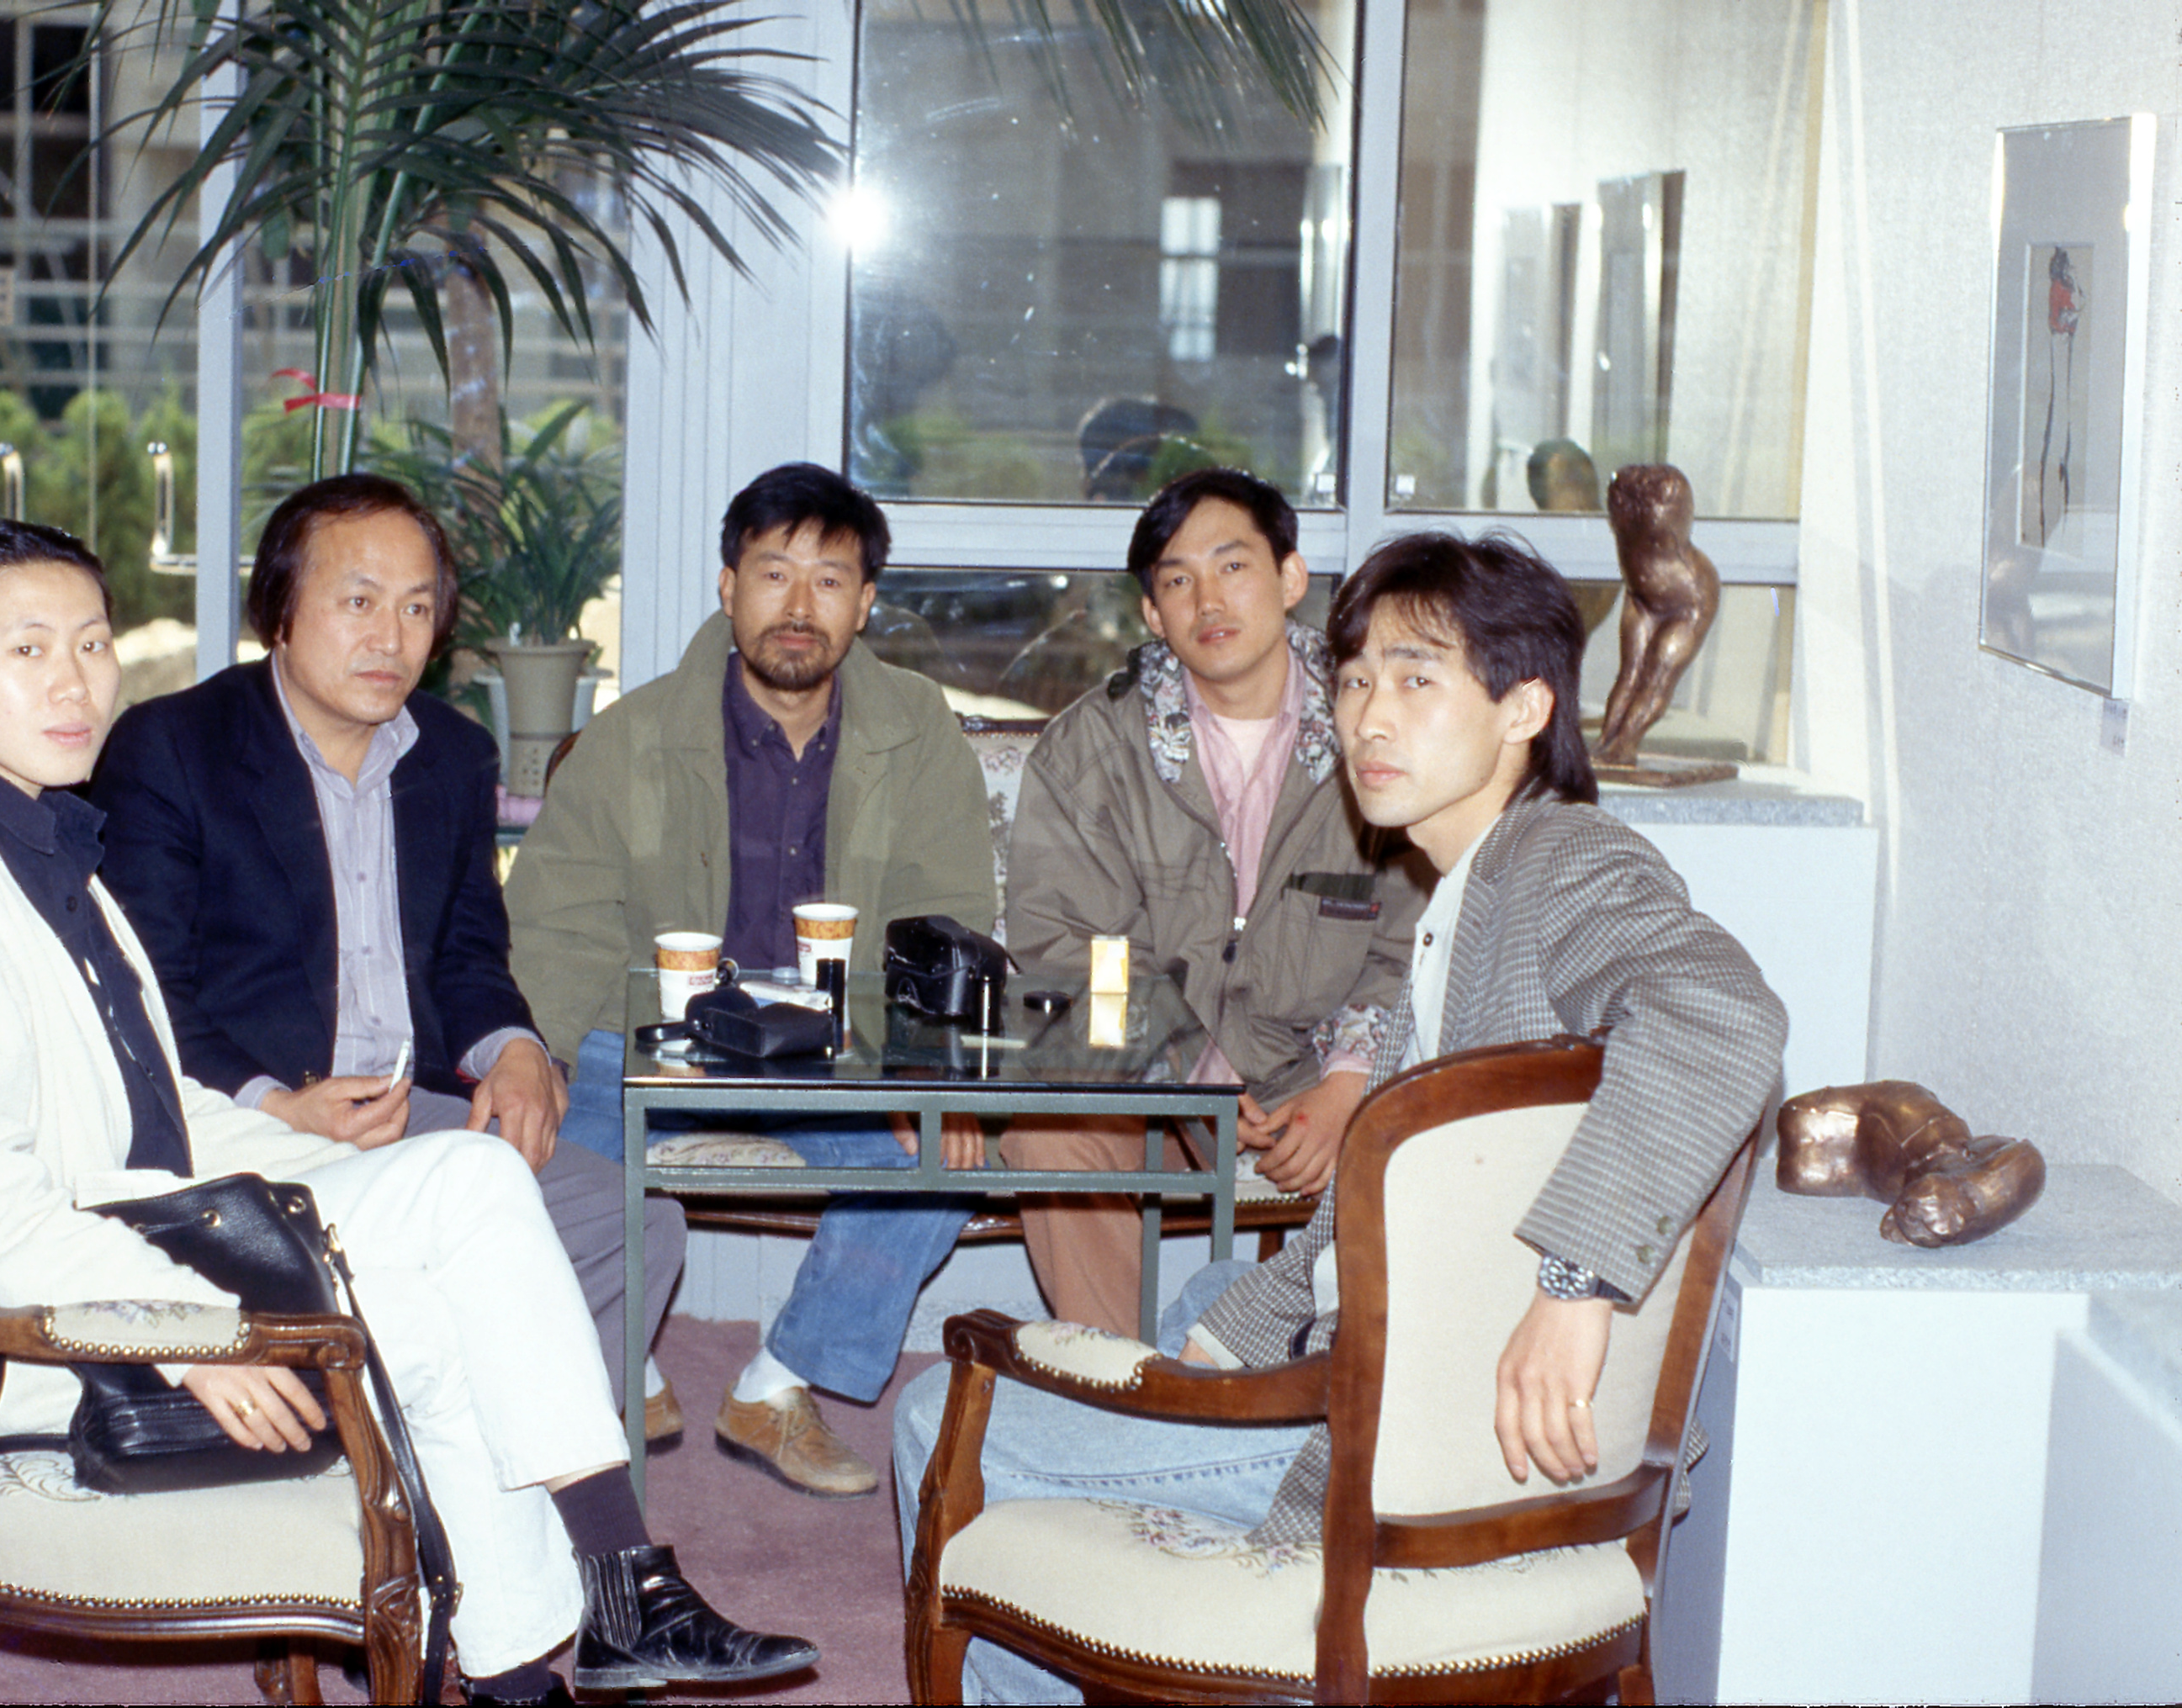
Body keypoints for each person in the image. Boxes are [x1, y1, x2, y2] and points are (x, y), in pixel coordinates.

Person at [0, 519, 813, 1707]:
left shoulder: (28, 844)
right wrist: (187, 1328)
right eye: (27, 649)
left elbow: (151, 1104)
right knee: (434, 1313)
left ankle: (606, 1601)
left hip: (136, 1216)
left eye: (91, 642)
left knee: (474, 1181)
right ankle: (541, 1660)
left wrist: (325, 1165)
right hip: (31, 1340)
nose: (74, 683)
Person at [892, 529, 1786, 1704]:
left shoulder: (1566, 860)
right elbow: (1381, 1204)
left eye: (1418, 679)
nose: (1370, 716)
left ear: (1525, 708)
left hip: (1413, 1430)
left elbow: (1723, 1011)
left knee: (937, 1411)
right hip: (1396, 1357)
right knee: (1212, 1302)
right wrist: (1220, 1351)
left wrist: (1576, 1287)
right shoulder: (1466, 888)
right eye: (1356, 679)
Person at [91, 473, 687, 1439]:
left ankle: (491, 1466)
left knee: (637, 1225)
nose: (391, 638)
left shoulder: (453, 754)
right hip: (243, 1125)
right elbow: (146, 995)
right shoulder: (173, 748)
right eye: (359, 602)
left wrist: (515, 1048)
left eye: (416, 608)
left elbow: (468, 951)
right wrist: (274, 1106)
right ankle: (406, 1454)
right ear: (279, 612)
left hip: (412, 1113)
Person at [507, 463, 997, 1499]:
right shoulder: (634, 736)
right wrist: (542, 1054)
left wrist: (927, 1069)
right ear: (728, 587)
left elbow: (947, 914)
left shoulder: (918, 732)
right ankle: (625, 1364)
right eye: (774, 574)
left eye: (830, 580)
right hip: (649, 1046)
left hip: (837, 1056)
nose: (799, 605)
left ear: (866, 603)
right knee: (522, 1156)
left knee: (944, 1155)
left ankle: (776, 1383)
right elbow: (562, 921)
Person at [999, 468, 1421, 1336]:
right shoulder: (1091, 749)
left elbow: (1414, 939)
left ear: (1291, 577)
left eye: (1233, 567)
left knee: (1444, 1145)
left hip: (1321, 1070)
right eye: (1178, 581)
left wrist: (1349, 1084)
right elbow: (1065, 945)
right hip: (1153, 1073)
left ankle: (1322, 1386)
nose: (1209, 601)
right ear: (1152, 615)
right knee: (1047, 1127)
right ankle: (1116, 1382)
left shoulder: (1377, 733)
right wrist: (1193, 1068)